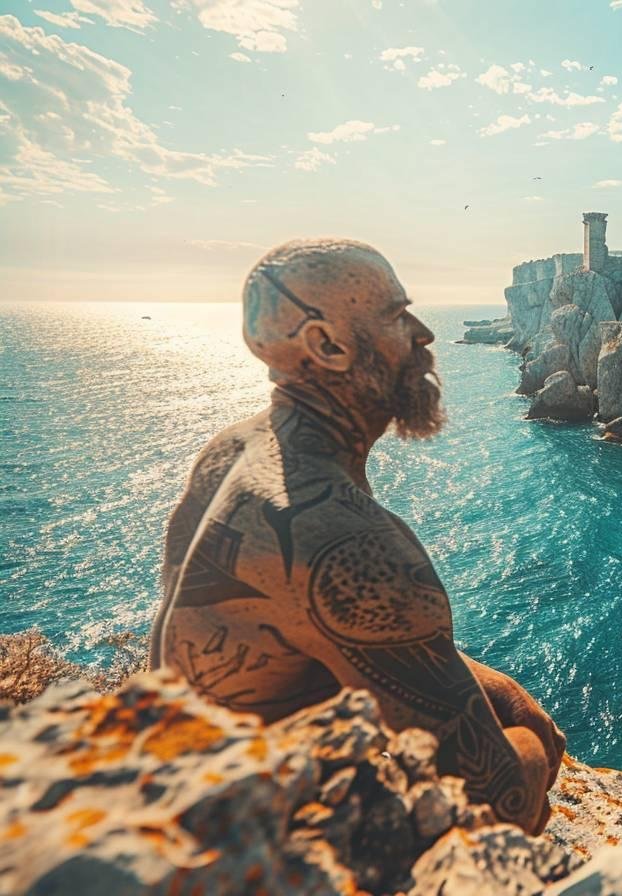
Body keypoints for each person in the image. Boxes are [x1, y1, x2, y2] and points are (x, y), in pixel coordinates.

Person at [148, 238, 563, 833]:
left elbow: (307, 627)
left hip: (193, 780)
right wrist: (531, 751)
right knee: (534, 742)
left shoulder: (235, 448)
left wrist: (494, 688)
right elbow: (495, 810)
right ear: (327, 345)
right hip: (259, 843)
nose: (424, 333)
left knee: (510, 701)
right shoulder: (348, 543)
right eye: (397, 315)